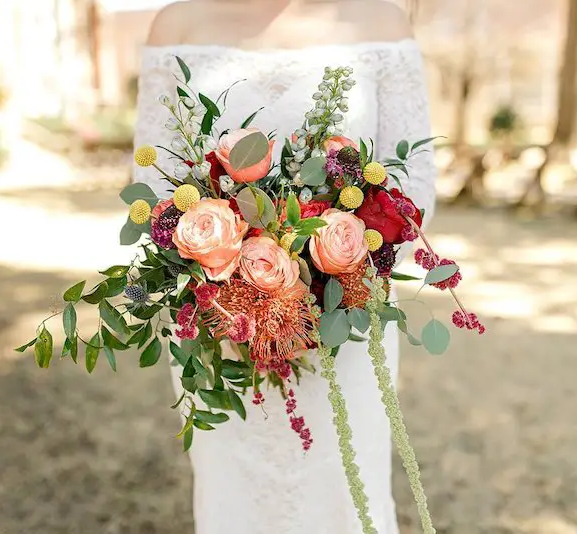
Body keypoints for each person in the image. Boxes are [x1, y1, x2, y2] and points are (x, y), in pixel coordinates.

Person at [135, 1, 437, 533]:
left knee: (345, 487)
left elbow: (412, 189)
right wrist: (235, 288)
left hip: (345, 323)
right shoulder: (176, 24)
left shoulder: (380, 21)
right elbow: (158, 187)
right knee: (235, 490)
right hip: (221, 328)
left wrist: (323, 278)